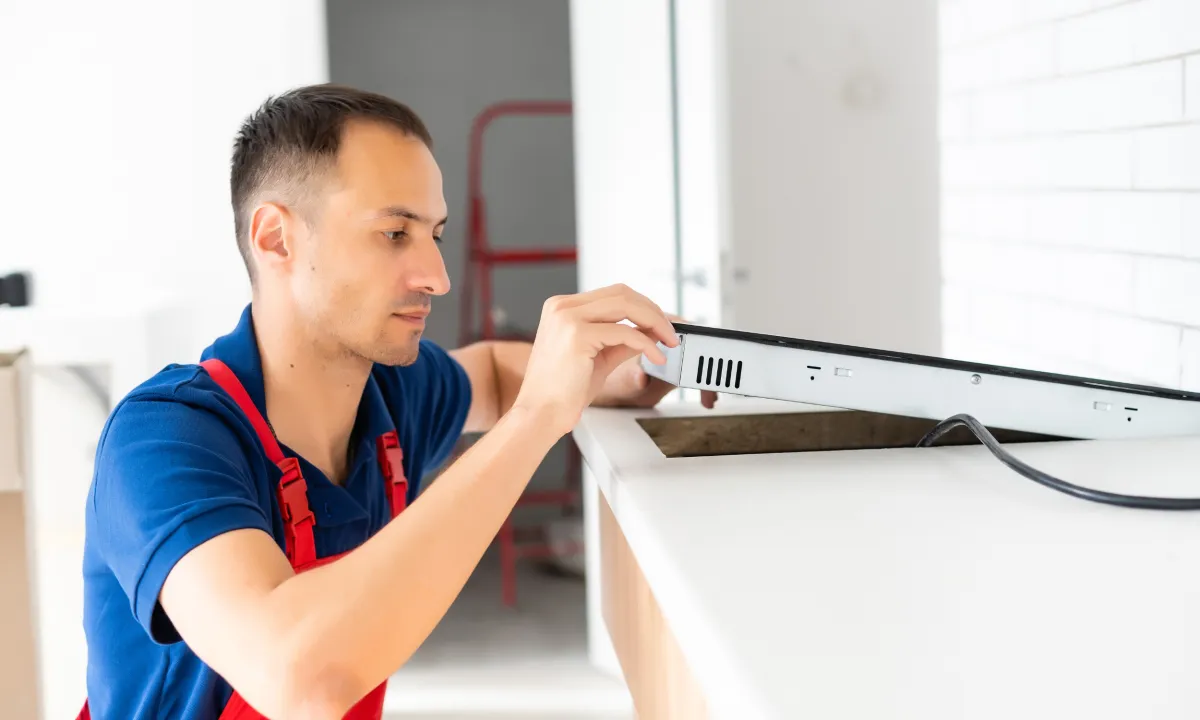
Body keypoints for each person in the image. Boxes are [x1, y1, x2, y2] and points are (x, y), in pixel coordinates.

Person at [78, 83, 716, 720]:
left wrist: (620, 372)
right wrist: (538, 417)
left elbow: (492, 375)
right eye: (393, 234)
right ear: (276, 239)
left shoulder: (385, 396)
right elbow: (300, 676)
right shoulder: (162, 441)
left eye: (434, 234)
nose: (437, 276)